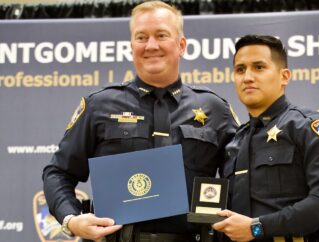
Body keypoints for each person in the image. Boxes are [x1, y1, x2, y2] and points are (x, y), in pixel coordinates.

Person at [42, 1, 238, 242]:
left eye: (161, 35)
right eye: (141, 37)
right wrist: (71, 220)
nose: (151, 45)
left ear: (181, 45)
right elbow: (58, 172)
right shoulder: (99, 105)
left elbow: (242, 179)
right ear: (131, 46)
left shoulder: (215, 109)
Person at [212, 35, 319, 242]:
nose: (247, 77)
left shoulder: (308, 127)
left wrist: (256, 228)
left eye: (259, 67)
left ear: (284, 76)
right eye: (240, 69)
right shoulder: (234, 142)